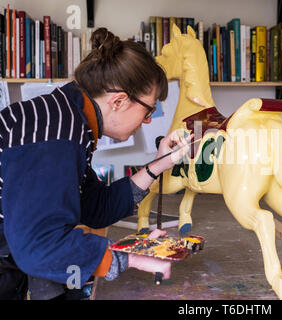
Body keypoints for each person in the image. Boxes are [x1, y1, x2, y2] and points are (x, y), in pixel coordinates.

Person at [0, 27, 191, 300]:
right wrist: (133, 257)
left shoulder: (70, 120)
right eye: (148, 111)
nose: (147, 121)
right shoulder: (56, 134)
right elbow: (39, 247)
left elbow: (95, 207)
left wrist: (159, 163)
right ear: (119, 101)